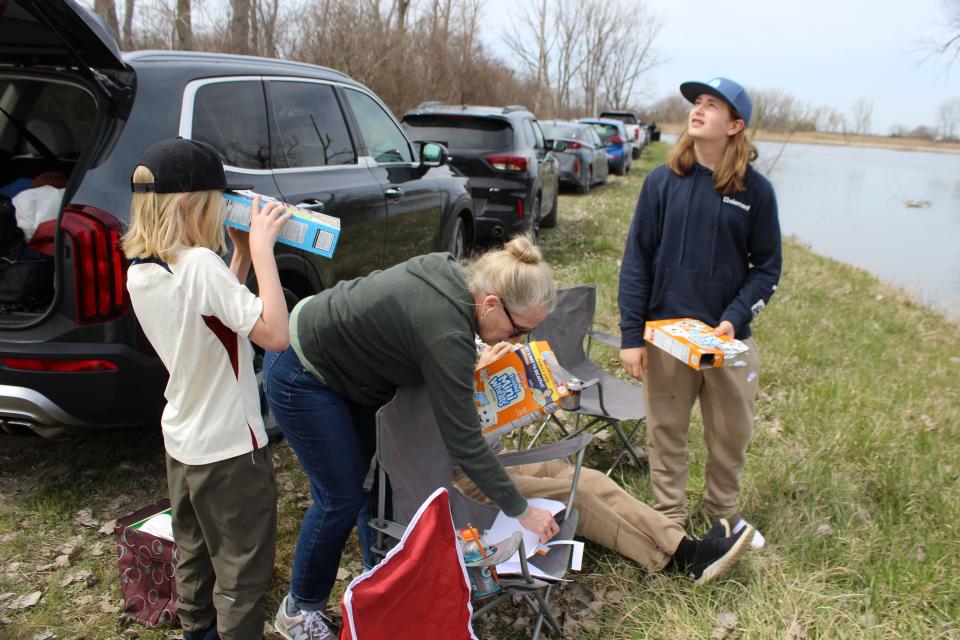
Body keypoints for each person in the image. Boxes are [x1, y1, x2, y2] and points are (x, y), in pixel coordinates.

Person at [263, 236, 562, 640]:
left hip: (349, 371)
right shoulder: (446, 335)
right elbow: (466, 444)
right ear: (490, 303)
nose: (516, 340)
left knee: (376, 478)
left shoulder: (456, 279)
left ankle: (383, 584)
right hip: (302, 369)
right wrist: (522, 510)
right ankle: (299, 608)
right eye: (517, 329)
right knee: (341, 496)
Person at [123, 138, 291, 640]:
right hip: (231, 450)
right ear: (192, 203)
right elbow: (274, 335)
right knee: (242, 572)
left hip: (184, 439)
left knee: (193, 550)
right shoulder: (198, 263)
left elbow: (209, 321)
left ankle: (196, 631)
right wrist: (261, 252)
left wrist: (235, 259)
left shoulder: (144, 269)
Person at [617, 77, 782, 546]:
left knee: (730, 436)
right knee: (666, 431)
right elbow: (637, 260)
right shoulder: (661, 183)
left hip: (727, 341)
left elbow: (767, 268)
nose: (698, 110)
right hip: (666, 337)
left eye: (712, 105)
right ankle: (667, 516)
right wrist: (632, 335)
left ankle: (723, 516)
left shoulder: (756, 192)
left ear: (735, 125)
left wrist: (733, 316)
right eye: (696, 103)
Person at [454, 341, 755, 585]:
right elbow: (447, 430)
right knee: (578, 496)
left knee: (591, 480)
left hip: (494, 459)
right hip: (461, 479)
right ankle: (673, 561)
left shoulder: (467, 334)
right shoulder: (435, 355)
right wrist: (475, 377)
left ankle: (681, 542)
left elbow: (489, 420)